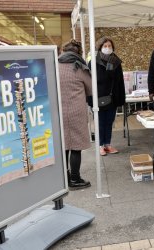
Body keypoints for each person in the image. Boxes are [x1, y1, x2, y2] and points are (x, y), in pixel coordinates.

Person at [58, 39, 92, 190]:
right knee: (76, 146)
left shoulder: (54, 66)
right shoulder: (79, 68)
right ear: (78, 53)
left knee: (64, 145)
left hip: (58, 111)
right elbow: (90, 89)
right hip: (76, 111)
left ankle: (63, 178)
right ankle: (75, 179)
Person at [90, 37, 125, 156]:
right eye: (105, 46)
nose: (107, 48)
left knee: (109, 122)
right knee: (100, 122)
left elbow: (120, 81)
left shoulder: (116, 62)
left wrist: (121, 98)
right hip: (98, 98)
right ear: (100, 47)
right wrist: (90, 100)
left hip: (112, 97)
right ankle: (100, 145)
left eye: (109, 46)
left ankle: (107, 144)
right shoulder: (94, 62)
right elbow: (90, 81)